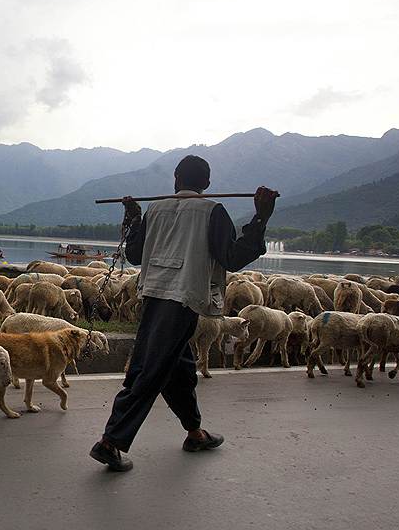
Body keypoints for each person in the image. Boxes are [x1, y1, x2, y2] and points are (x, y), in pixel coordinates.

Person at [89, 155, 278, 472]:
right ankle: (111, 442)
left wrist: (133, 218)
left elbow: (134, 255)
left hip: (153, 296)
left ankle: (195, 433)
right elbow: (231, 257)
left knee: (179, 370)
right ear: (206, 184)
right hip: (184, 300)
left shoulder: (156, 209)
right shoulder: (212, 211)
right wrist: (260, 219)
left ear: (175, 178)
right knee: (148, 371)